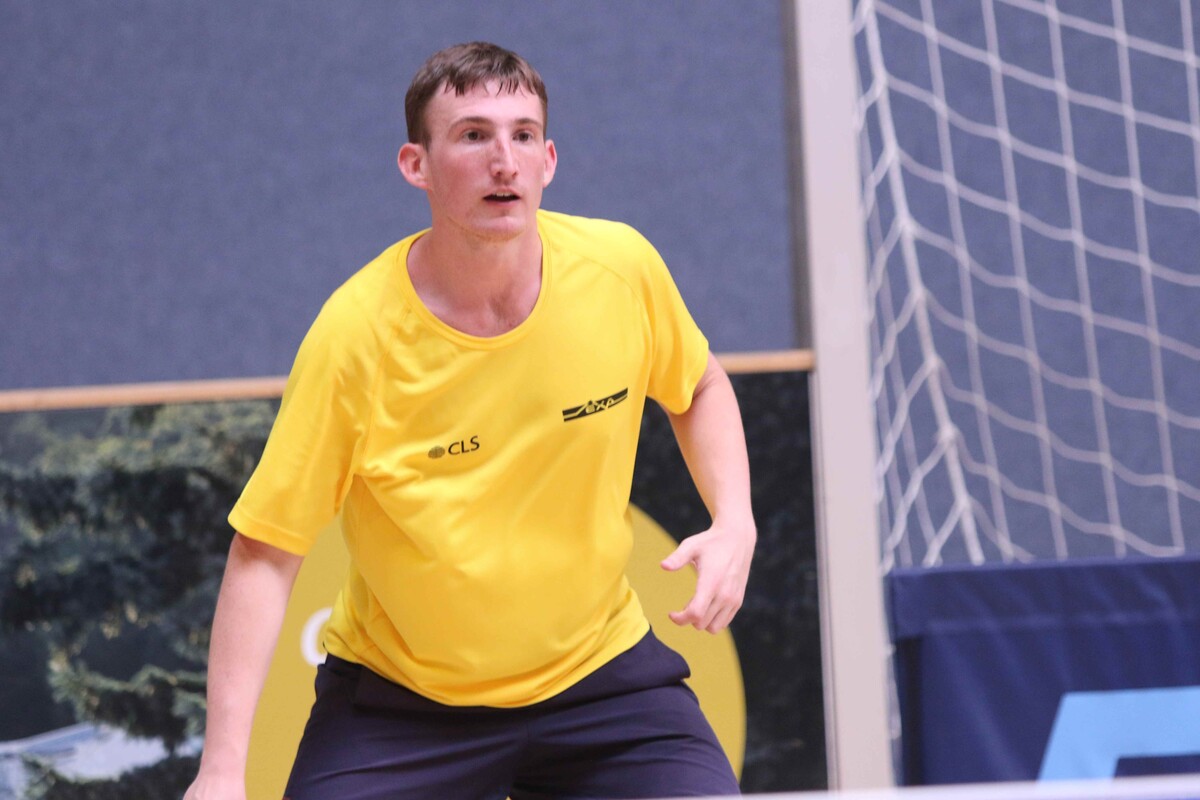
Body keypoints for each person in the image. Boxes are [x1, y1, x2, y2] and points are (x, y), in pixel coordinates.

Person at [184, 41, 756, 800]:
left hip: (602, 683)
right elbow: (265, 553)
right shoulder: (355, 337)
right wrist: (221, 771)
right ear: (415, 164)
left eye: (523, 135)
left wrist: (735, 519)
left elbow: (698, 385)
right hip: (402, 706)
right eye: (473, 135)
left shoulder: (621, 269)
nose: (503, 161)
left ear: (549, 160)